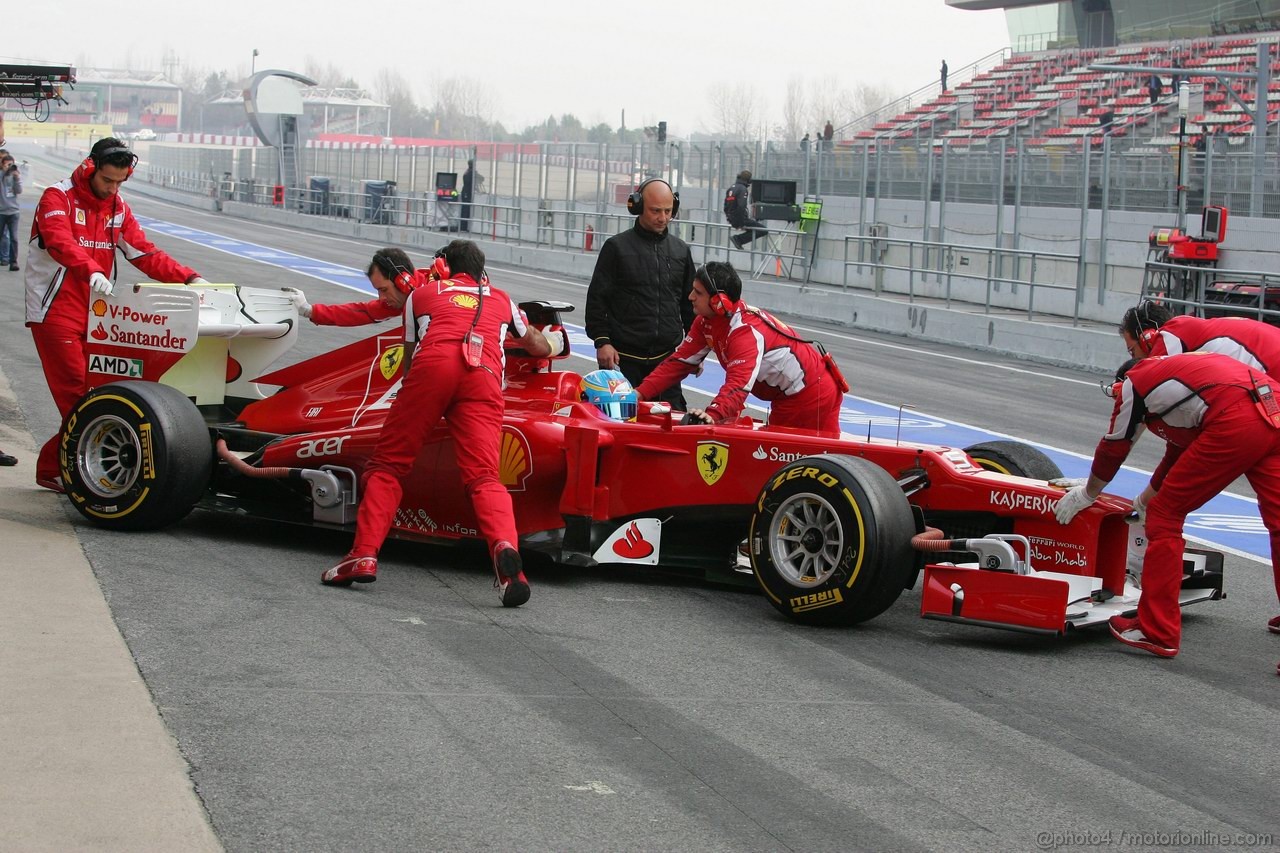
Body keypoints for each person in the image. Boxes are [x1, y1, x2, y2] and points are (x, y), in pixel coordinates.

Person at [321, 239, 555, 607]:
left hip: (432, 369)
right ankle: (508, 558)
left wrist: (417, 403)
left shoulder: (423, 294)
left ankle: (363, 554)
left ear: (443, 267)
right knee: (484, 476)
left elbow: (412, 360)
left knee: (388, 465)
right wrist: (552, 342)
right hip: (484, 375)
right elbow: (537, 346)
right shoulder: (501, 298)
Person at [1054, 352, 1280, 659]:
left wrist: (1088, 493)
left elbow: (1114, 447)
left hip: (1234, 415)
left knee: (1165, 517)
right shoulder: (1178, 383)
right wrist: (1143, 500)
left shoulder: (1134, 384)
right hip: (1271, 405)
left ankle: (1157, 630)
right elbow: (1177, 455)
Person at [25, 137, 208, 493]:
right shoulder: (56, 197)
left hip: (100, 315)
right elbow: (60, 242)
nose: (113, 188)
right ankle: (62, 469)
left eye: (120, 182)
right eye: (107, 180)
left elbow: (144, 253)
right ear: (90, 168)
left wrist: (188, 277)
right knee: (79, 397)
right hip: (54, 310)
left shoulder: (117, 206)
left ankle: (52, 465)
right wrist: (91, 269)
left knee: (97, 397)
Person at [634, 262, 845, 433]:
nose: (690, 297)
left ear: (719, 301)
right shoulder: (706, 320)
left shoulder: (745, 332)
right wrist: (640, 393)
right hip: (790, 395)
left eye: (698, 293)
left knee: (789, 461)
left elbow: (738, 385)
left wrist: (713, 415)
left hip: (810, 395)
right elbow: (679, 362)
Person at [585, 177, 694, 410]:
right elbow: (597, 300)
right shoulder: (616, 248)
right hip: (623, 362)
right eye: (655, 211)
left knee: (675, 427)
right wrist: (602, 341)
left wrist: (695, 353)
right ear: (637, 206)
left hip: (667, 364)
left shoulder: (681, 251)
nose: (663, 218)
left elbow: (690, 305)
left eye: (667, 211)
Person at [1120, 301, 1280, 377]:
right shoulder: (1188, 328)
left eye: (1132, 351)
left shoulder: (1171, 334)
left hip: (1272, 365)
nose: (1134, 358)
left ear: (1146, 337)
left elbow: (1145, 389)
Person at [283, 248, 419, 326]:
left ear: (404, 281)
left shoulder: (435, 293)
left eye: (384, 290)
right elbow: (359, 312)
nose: (382, 298)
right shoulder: (402, 299)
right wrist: (309, 310)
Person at [724, 170, 767, 249]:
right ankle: (738, 239)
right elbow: (741, 206)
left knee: (754, 230)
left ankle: (738, 239)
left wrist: (729, 219)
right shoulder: (743, 189)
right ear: (749, 180)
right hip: (740, 219)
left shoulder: (731, 188)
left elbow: (726, 206)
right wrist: (740, 223)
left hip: (732, 218)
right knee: (763, 230)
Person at [0, 153, 22, 271]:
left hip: (13, 212)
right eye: (7, 164)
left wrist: (17, 178)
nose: (10, 167)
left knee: (14, 237)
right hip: (1, 212)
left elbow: (19, 191)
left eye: (12, 164)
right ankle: (3, 257)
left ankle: (13, 262)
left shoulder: (15, 176)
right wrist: (3, 173)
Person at [459, 159, 482, 232]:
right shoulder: (471, 172)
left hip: (466, 192)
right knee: (465, 209)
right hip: (466, 193)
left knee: (465, 209)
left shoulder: (468, 171)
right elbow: (481, 178)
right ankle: (463, 227)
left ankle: (464, 227)